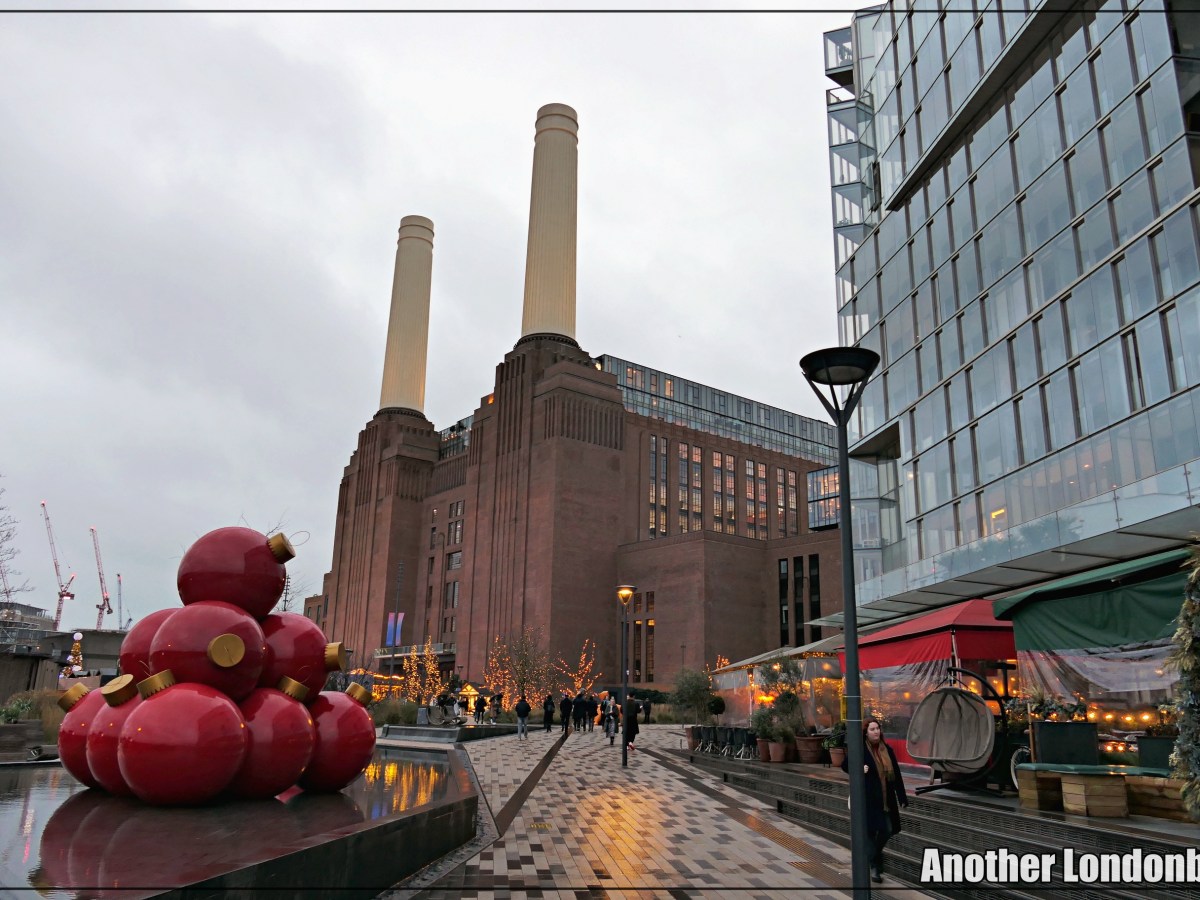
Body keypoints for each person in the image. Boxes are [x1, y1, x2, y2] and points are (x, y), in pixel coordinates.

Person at [840, 717, 908, 883]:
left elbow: (896, 775)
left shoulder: (887, 750)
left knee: (888, 829)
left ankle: (872, 858)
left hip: (886, 799)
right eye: (872, 729)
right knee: (871, 832)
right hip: (869, 799)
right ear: (865, 732)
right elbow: (844, 765)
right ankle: (875, 868)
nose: (876, 731)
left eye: (877, 728)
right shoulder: (860, 750)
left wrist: (902, 795)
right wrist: (858, 768)